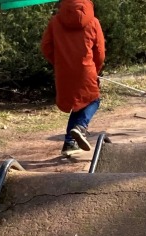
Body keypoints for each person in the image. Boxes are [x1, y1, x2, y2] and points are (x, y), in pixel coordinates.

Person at [41, 0, 105, 157]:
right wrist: (95, 69)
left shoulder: (55, 22)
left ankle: (69, 143)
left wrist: (60, 62)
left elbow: (46, 46)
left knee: (78, 104)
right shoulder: (93, 22)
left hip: (63, 71)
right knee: (94, 100)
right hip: (86, 69)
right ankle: (81, 127)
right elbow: (100, 52)